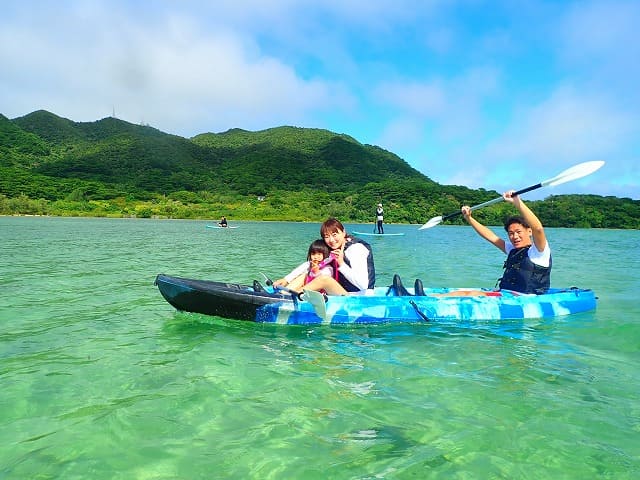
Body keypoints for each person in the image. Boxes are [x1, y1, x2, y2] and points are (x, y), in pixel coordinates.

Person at [461, 190, 552, 294]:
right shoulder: (513, 250)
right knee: (464, 293)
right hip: (507, 296)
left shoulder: (539, 252)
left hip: (527, 300)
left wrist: (517, 202)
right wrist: (469, 218)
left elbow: (538, 229)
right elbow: (490, 236)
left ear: (529, 231)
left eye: (518, 232)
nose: (515, 236)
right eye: (511, 233)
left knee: (467, 294)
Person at [274, 217, 376, 295]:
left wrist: (341, 264)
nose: (331, 240)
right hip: (342, 292)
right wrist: (286, 279)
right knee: (307, 273)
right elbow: (309, 265)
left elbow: (363, 285)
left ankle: (294, 296)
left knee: (324, 279)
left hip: (359, 298)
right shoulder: (335, 249)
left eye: (335, 234)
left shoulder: (356, 248)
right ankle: (283, 294)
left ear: (343, 232)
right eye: (327, 237)